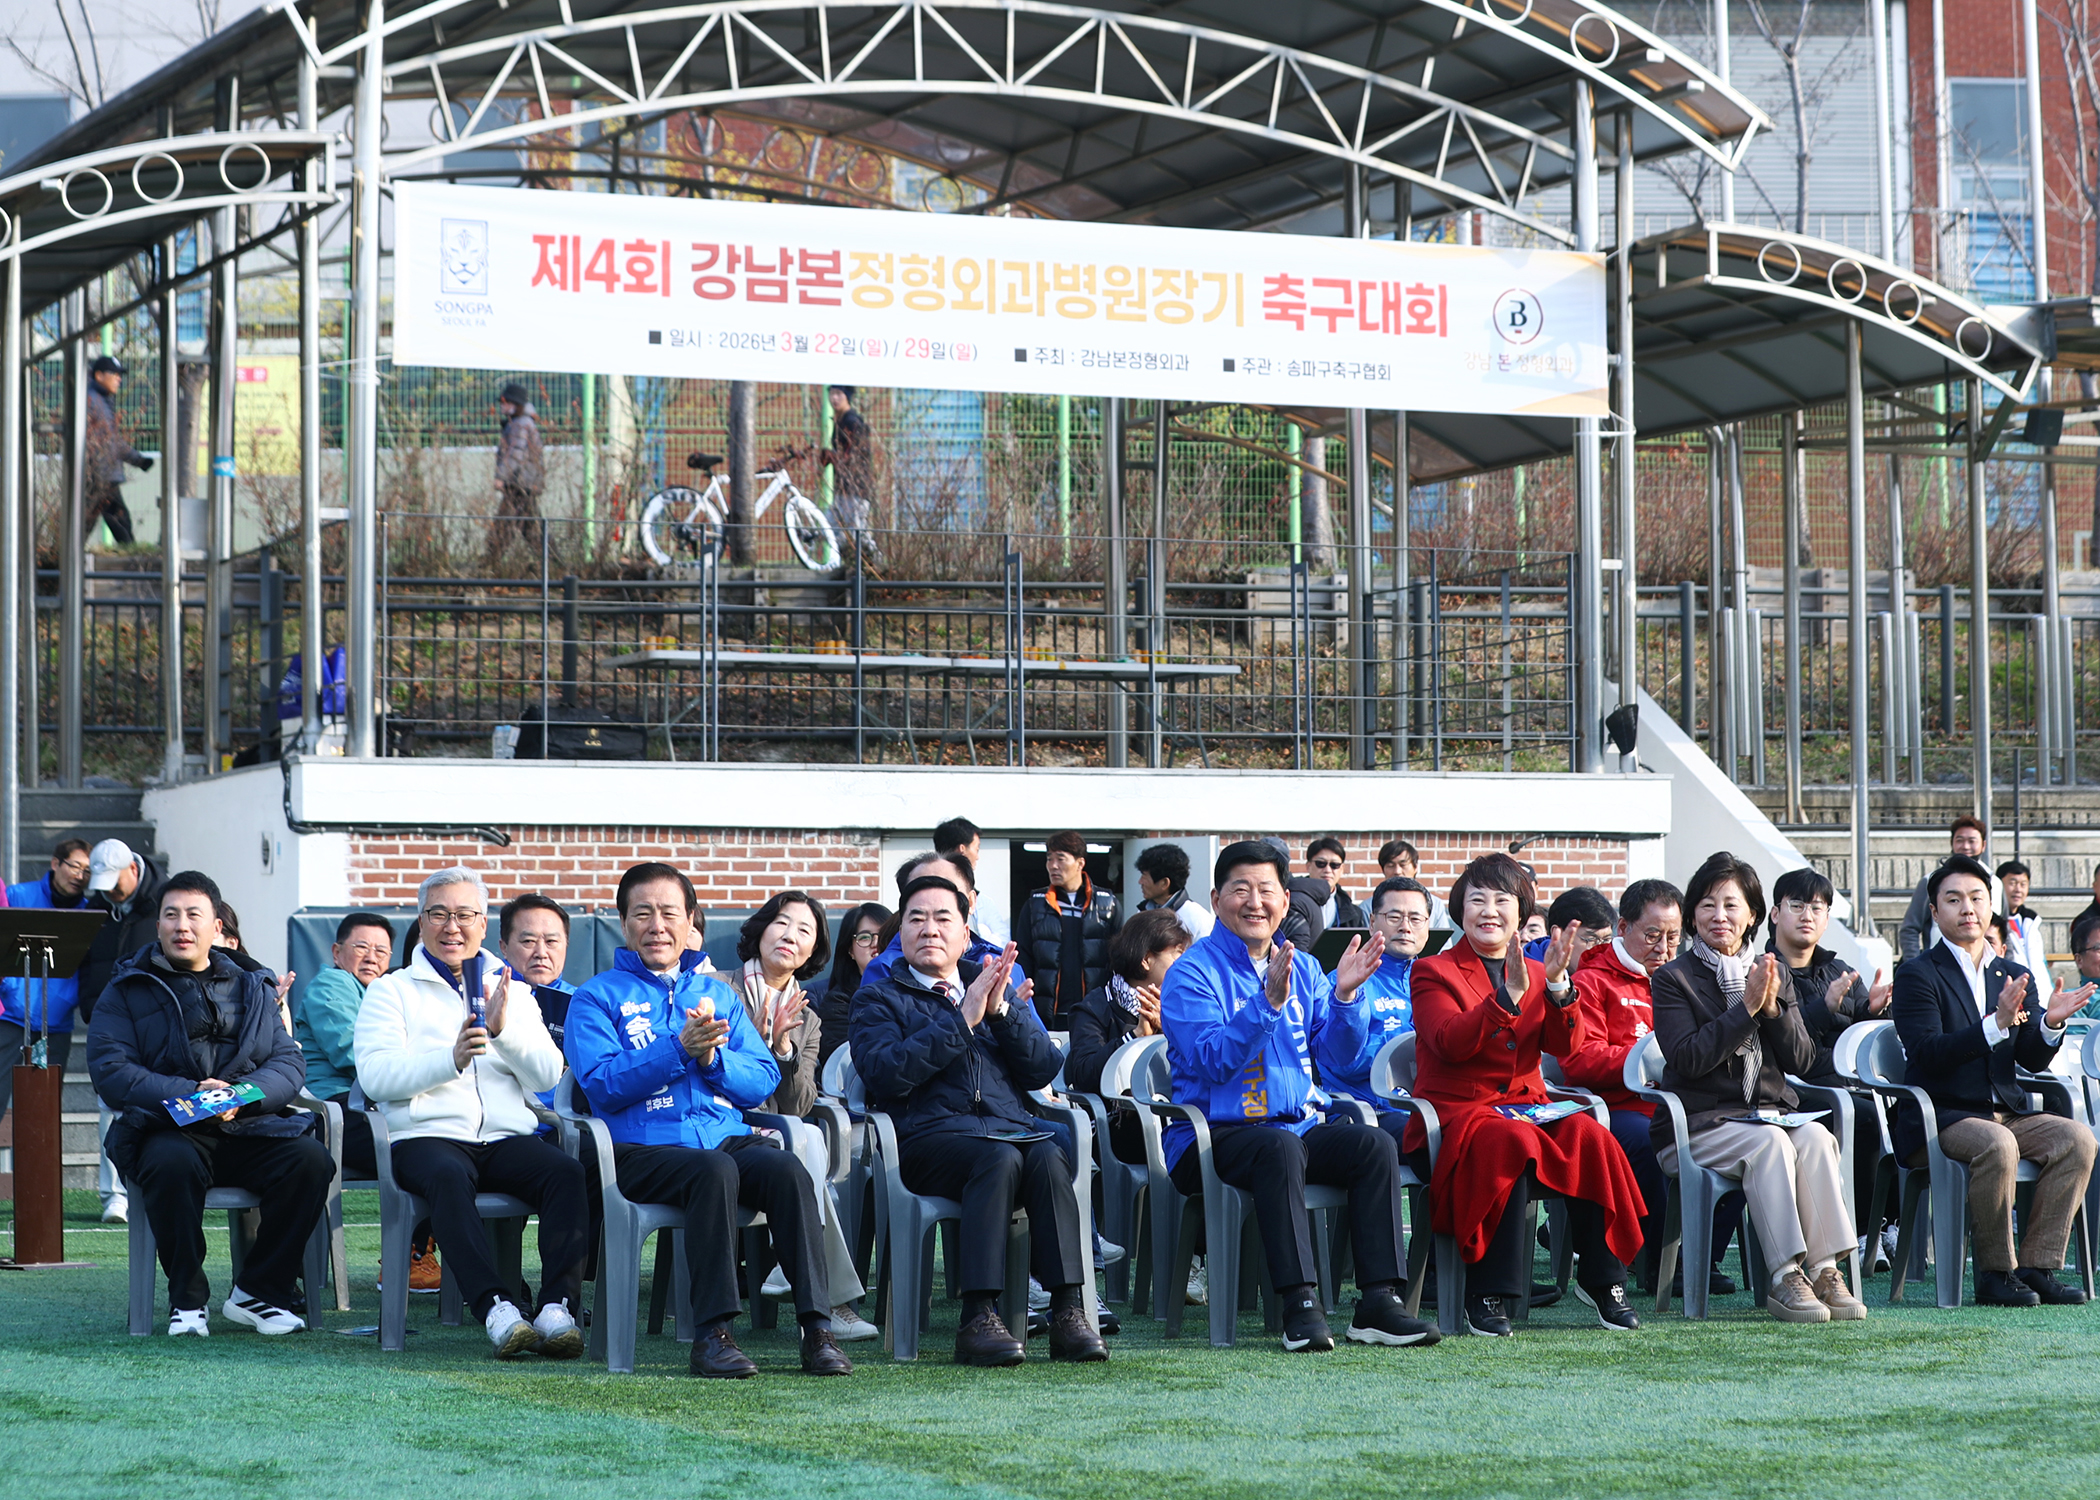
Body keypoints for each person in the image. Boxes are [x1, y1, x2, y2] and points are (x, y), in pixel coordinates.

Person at [567, 862, 855, 1377]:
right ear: (624, 922)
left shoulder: (718, 994)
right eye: (643, 914)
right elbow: (602, 1084)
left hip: (722, 1136)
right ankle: (713, 1335)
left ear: (690, 920)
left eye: (669, 913)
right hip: (639, 1149)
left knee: (789, 1170)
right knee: (713, 1172)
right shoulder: (596, 997)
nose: (657, 925)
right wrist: (677, 1050)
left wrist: (711, 1060)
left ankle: (818, 1330)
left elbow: (764, 1077)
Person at [1160, 840, 1440, 1351]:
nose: (1254, 902)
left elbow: (1336, 1055)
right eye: (1240, 889)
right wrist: (1265, 1005)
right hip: (1215, 1136)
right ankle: (1300, 1304)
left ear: (1284, 901)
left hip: (1297, 1127)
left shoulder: (1306, 968)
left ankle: (1379, 1302)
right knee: (1280, 1148)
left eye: (1266, 890)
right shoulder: (1191, 973)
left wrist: (1346, 997)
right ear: (1217, 897)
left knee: (1372, 1144)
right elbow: (1210, 1061)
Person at [852, 875, 1109, 1365]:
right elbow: (886, 1075)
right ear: (899, 933)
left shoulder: (990, 982)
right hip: (926, 1140)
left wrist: (1002, 1013)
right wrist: (961, 1019)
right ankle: (978, 1315)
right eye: (916, 918)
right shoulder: (879, 998)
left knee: (1049, 1154)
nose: (930, 928)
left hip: (1007, 1131)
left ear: (965, 933)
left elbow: (1042, 1067)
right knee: (998, 1158)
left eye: (943, 918)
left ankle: (1067, 1310)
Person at [1406, 852, 1647, 1337]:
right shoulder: (1434, 971)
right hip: (1460, 1116)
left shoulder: (1541, 971)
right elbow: (1449, 1041)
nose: (1489, 910)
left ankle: (1605, 1281)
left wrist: (1559, 986)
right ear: (1460, 910)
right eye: (1477, 900)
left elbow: (1567, 1047)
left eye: (1502, 900)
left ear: (1521, 913)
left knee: (1591, 1134)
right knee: (1506, 1142)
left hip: (1528, 1108)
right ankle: (1487, 1292)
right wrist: (1507, 998)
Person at [354, 866, 587, 1359]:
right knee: (446, 1176)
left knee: (566, 1173)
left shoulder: (514, 990)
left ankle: (556, 1308)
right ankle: (497, 1307)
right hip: (426, 1137)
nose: (452, 926)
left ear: (484, 925)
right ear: (421, 922)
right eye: (438, 914)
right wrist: (451, 1059)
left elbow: (547, 1075)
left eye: (464, 914)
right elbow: (375, 1078)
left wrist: (505, 1031)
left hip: (505, 1137)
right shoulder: (391, 991)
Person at [87, 870, 331, 1337]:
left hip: (247, 1126)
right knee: (169, 1163)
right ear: (157, 926)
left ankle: (258, 1291)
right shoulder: (126, 989)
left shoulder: (253, 985)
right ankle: (188, 1300)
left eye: (193, 915)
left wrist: (243, 1098)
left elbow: (286, 1063)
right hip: (167, 1127)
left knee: (311, 1161)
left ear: (217, 927)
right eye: (171, 915)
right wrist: (191, 1094)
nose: (182, 925)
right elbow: (111, 1070)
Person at [1648, 853, 1864, 1324]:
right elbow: (1687, 1058)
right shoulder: (1673, 979)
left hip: (1767, 1115)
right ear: (1692, 915)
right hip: (1697, 1126)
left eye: (1731, 905)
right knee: (1771, 1144)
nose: (1718, 916)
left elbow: (1802, 1060)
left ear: (1752, 915)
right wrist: (1743, 1009)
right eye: (1706, 905)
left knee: (1816, 1137)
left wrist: (1774, 1011)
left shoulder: (1773, 971)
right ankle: (1785, 1276)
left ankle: (1825, 1271)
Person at [1891, 854, 2099, 1306]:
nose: (1967, 907)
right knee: (1997, 1143)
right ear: (1934, 911)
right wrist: (1994, 1024)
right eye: (1954, 899)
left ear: (1991, 906)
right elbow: (1928, 1052)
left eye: (1977, 898)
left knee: (2078, 1139)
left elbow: (2030, 1057)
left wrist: (2050, 1026)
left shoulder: (2011, 972)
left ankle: (2037, 1266)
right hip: (1942, 1114)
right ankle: (1995, 1273)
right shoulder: (1916, 974)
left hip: (2005, 1111)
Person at [1557, 878, 1727, 1297]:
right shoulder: (1593, 982)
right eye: (1652, 935)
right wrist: (1644, 1058)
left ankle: (1703, 1253)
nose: (1664, 947)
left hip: (1683, 1104)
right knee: (1647, 1141)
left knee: (1747, 1136)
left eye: (1673, 936)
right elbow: (1578, 1059)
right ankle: (1655, 1260)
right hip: (1617, 1106)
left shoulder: (1687, 979)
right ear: (1622, 927)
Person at [1762, 866, 1895, 1270]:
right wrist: (1824, 1009)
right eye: (1797, 905)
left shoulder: (1840, 971)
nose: (1807, 915)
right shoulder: (1765, 971)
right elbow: (1781, 1044)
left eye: (1818, 908)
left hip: (1845, 1083)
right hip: (1792, 1086)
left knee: (1900, 1112)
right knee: (1865, 1115)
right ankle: (1859, 1231)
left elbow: (1855, 1045)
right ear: (1774, 913)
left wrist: (1872, 1012)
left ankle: (1890, 1227)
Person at [75, 837, 166, 1223]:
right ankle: (115, 1196)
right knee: (110, 1104)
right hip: (110, 1020)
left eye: (115, 882)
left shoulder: (166, 900)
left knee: (159, 1101)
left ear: (133, 868)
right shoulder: (99, 906)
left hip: (158, 1019)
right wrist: (91, 1006)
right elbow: (88, 960)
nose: (110, 891)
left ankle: (155, 1187)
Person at [1321, 876, 1432, 1132]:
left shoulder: (1436, 980)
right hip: (1369, 1113)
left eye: (1416, 919)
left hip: (1429, 1108)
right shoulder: (1346, 981)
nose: (1406, 927)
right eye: (1394, 917)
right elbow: (1342, 1061)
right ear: (1372, 923)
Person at [293, 912, 395, 1183]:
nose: (372, 957)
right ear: (336, 953)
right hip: (335, 1110)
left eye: (381, 950)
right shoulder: (333, 983)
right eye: (361, 947)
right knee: (416, 1152)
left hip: (369, 1106)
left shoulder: (382, 994)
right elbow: (351, 1052)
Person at [0, 839, 90, 1119]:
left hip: (56, 1024)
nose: (80, 876)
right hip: (10, 1019)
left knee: (42, 1116)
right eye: (75, 866)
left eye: (87, 871)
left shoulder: (90, 911)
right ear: (55, 863)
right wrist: (9, 987)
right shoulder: (17, 897)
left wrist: (68, 999)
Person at [862, 851, 1021, 992]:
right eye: (921, 890)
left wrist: (1008, 1016)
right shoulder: (884, 969)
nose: (935, 897)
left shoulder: (1003, 966)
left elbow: (1032, 1025)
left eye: (947, 889)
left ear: (971, 902)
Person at [1022, 831, 1120, 1025]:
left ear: (1080, 863)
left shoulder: (1108, 904)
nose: (1053, 866)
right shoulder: (1035, 905)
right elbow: (1024, 959)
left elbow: (1118, 963)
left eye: (1061, 859)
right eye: (1049, 859)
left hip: (1094, 1012)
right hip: (1046, 1013)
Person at [1899, 816, 2001, 963]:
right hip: (1940, 967)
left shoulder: (1996, 883)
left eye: (1972, 841)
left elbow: (2005, 929)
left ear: (1983, 845)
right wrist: (1916, 964)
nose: (1965, 846)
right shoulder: (1931, 882)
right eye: (1960, 840)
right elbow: (1909, 929)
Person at [84, 354, 154, 545]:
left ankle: (60, 559)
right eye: (114, 374)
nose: (119, 378)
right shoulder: (94, 402)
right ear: (99, 376)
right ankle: (135, 566)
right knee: (119, 521)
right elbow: (110, 442)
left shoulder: (100, 401)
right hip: (101, 474)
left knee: (87, 521)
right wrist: (138, 459)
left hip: (100, 473)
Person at [816, 901, 889, 1067]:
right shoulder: (838, 1003)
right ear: (850, 951)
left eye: (884, 935)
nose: (876, 943)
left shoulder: (917, 989)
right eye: (864, 937)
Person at [487, 381, 545, 569]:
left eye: (504, 401)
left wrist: (501, 477)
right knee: (529, 527)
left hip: (519, 483)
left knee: (505, 524)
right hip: (526, 483)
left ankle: (490, 563)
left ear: (513, 404)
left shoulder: (520, 425)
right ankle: (552, 562)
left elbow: (515, 455)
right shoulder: (523, 422)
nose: (501, 405)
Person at [934, 817, 1006, 944]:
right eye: (976, 849)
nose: (977, 857)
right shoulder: (926, 895)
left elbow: (1003, 943)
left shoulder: (983, 902)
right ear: (962, 849)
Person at [820, 384, 876, 543]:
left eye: (839, 394)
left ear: (847, 397)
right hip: (843, 488)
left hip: (856, 488)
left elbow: (857, 453)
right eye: (832, 394)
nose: (834, 398)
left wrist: (836, 457)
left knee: (856, 535)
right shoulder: (840, 421)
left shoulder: (852, 421)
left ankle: (872, 563)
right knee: (832, 528)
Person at [1134, 842, 1214, 942]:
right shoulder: (1141, 914)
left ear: (1164, 883)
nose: (1140, 882)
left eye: (1144, 876)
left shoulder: (1198, 919)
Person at [1996, 861, 2052, 984]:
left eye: (2023, 884)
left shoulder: (2031, 921)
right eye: (2012, 883)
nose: (2018, 889)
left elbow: (2041, 963)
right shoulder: (1993, 922)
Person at [1295, 838, 1365, 933]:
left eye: (1334, 865)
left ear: (1342, 869)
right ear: (1308, 866)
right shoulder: (1292, 900)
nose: (1327, 870)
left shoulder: (1354, 913)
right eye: (1321, 863)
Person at [1380, 839, 1452, 931]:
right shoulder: (1367, 907)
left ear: (1415, 867)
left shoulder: (1436, 905)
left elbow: (1445, 944)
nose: (1397, 871)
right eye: (1390, 865)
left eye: (1403, 865)